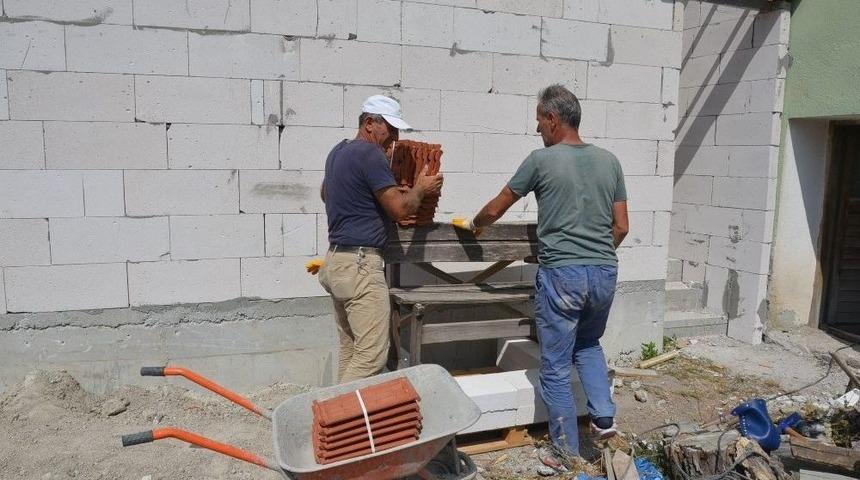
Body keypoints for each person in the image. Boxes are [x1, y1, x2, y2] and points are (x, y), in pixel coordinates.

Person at [452, 84, 629, 470]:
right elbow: (622, 227)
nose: (537, 131)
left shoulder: (540, 160)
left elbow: (498, 207)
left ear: (553, 119)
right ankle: (603, 419)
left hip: (562, 274)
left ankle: (565, 453)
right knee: (589, 344)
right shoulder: (610, 161)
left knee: (555, 364)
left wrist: (475, 224)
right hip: (604, 271)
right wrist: (594, 258)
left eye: (538, 121)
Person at [311, 95, 443, 383]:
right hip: (360, 266)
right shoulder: (370, 155)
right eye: (390, 128)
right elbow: (399, 210)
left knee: (351, 350)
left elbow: (325, 193)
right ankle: (339, 418)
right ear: (369, 123)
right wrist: (420, 189)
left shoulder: (338, 151)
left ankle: (342, 422)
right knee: (372, 355)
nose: (394, 137)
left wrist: (362, 189)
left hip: (336, 261)